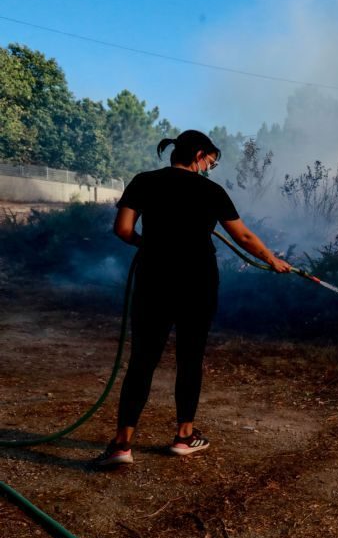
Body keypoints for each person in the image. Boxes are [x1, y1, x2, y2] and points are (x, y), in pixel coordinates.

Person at [94, 130, 291, 467]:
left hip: (154, 280)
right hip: (198, 283)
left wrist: (149, 245)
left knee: (143, 359)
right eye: (210, 162)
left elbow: (123, 229)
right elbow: (242, 235)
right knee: (190, 356)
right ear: (199, 155)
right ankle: (184, 436)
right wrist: (271, 259)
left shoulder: (144, 181)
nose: (209, 169)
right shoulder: (211, 191)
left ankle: (122, 445)